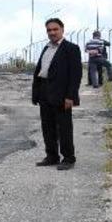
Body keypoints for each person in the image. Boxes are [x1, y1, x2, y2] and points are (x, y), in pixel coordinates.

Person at [32, 18, 82, 170]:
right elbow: (41, 71)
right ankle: (52, 156)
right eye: (49, 30)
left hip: (62, 94)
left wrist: (70, 96)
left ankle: (68, 158)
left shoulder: (71, 48)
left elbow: (76, 74)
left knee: (64, 127)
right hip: (44, 91)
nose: (52, 32)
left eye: (55, 29)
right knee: (47, 127)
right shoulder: (46, 48)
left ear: (62, 30)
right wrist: (36, 94)